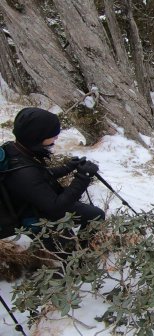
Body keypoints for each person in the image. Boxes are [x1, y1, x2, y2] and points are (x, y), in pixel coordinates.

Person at [3, 107, 105, 253]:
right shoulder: (24, 172)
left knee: (95, 214)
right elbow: (56, 208)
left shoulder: (14, 150)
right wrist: (83, 177)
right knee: (70, 254)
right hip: (37, 217)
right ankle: (76, 258)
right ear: (36, 136)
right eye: (52, 134)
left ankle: (80, 250)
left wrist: (68, 167)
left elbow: (41, 175)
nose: (56, 138)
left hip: (34, 203)